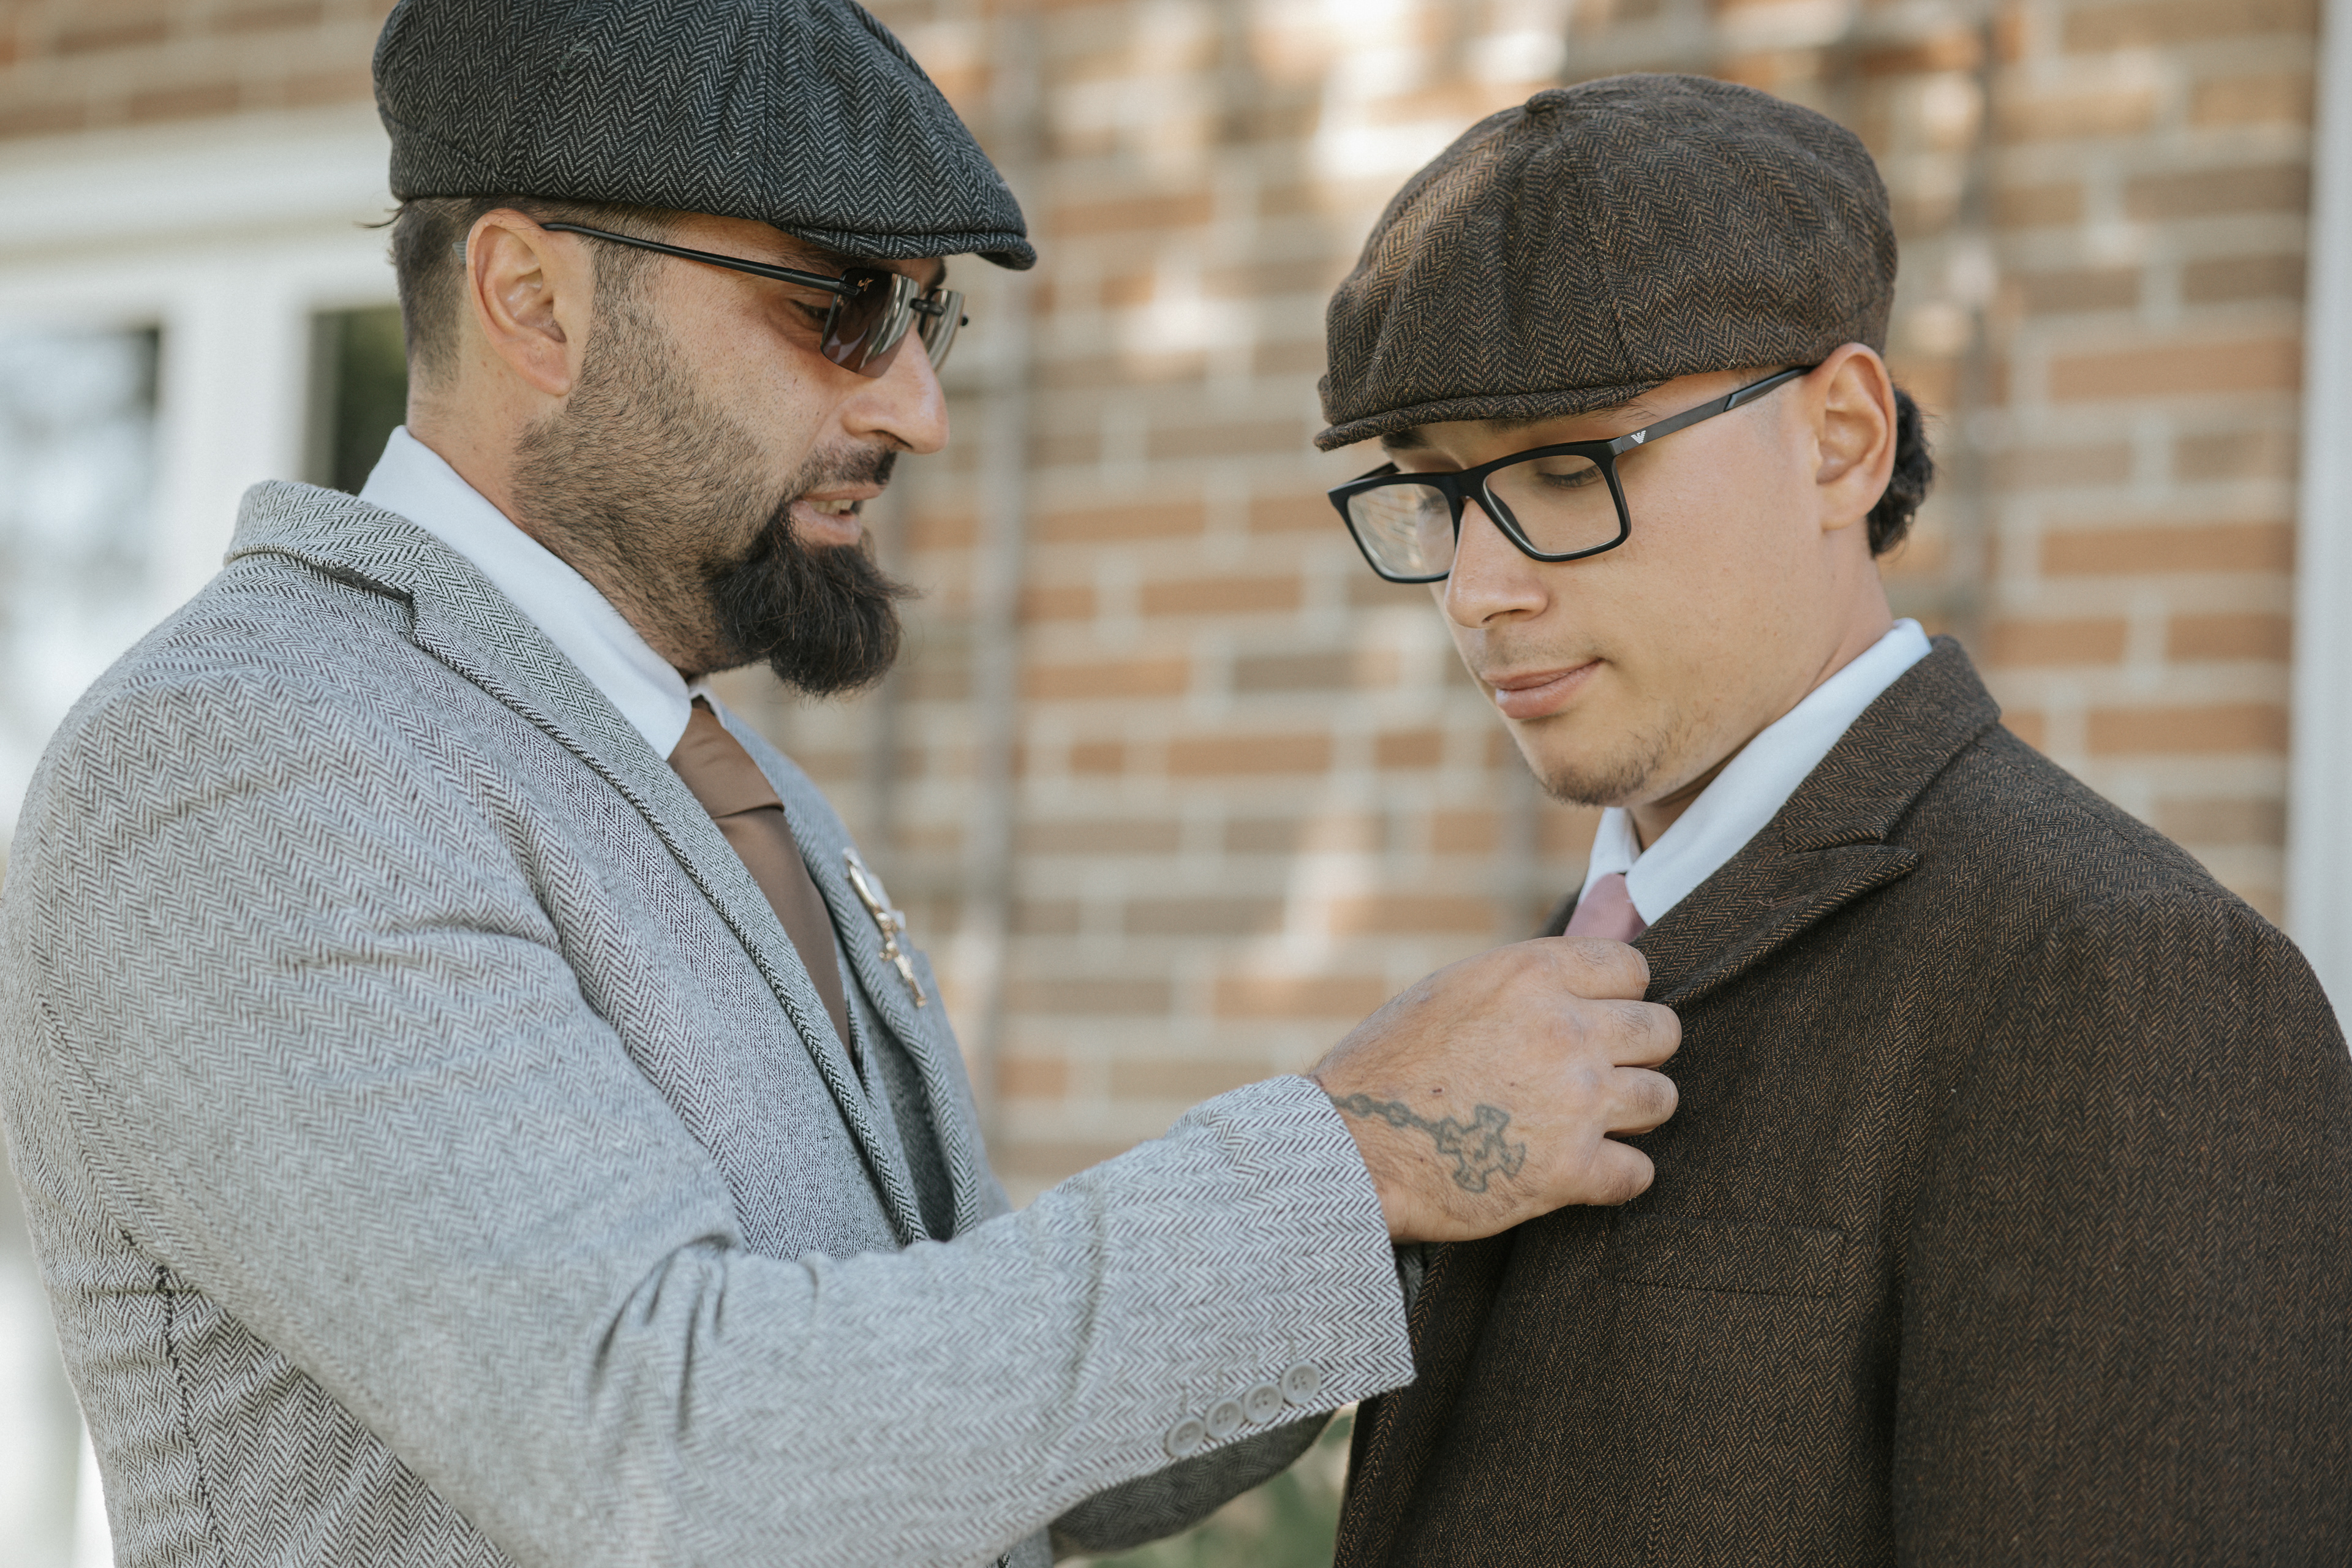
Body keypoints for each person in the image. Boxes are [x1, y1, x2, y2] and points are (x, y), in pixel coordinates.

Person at [0, 6, 1687, 1566]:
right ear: (533, 301)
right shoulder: (248, 762)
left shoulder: (720, 782)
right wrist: (1347, 1159)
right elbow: (674, 1452)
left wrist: (1415, 1180)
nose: (920, 407)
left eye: (923, 317)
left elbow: (980, 1444)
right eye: (843, 310)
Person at [1315, 74, 2352, 1566]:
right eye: (1436, 492)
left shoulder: (2119, 975)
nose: (1480, 589)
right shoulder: (1563, 964)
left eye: (1566, 467)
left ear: (1843, 437)